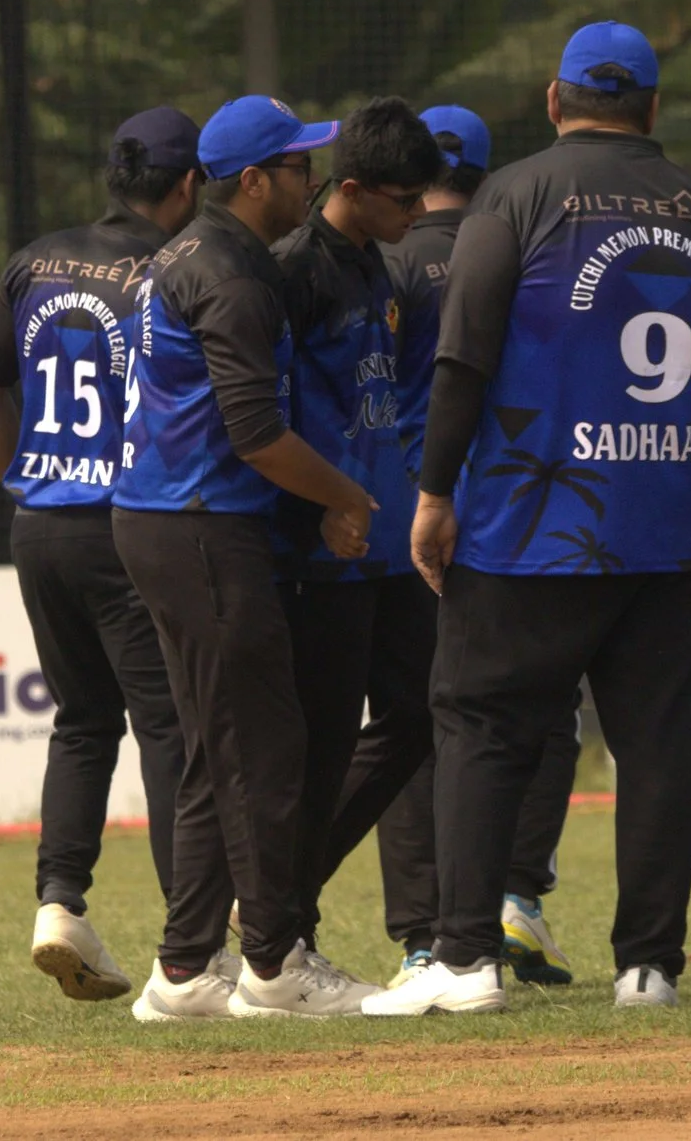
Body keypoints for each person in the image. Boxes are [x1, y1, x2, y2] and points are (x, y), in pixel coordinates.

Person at [367, 22, 691, 1018]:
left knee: (479, 725)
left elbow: (462, 356)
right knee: (656, 742)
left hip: (530, 524)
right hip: (665, 524)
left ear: (554, 101)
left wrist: (432, 489)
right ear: (654, 108)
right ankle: (649, 965)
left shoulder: (516, 193)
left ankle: (464, 958)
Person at [109, 96, 385, 1022]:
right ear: (254, 179)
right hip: (200, 526)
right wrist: (345, 497)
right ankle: (272, 964)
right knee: (265, 747)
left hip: (162, 518)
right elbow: (258, 433)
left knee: (215, 747)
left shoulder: (181, 251)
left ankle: (185, 969)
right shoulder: (234, 271)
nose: (312, 178)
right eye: (299, 166)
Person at [0, 107, 200, 1005]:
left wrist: (25, 478)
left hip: (41, 525)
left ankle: (60, 904)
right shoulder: (167, 270)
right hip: (125, 523)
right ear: (187, 187)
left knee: (83, 720)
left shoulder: (33, 260)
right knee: (171, 725)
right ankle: (193, 940)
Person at [361, 106, 584, 987]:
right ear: (487, 173)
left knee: (416, 721)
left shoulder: (382, 261)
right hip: (512, 511)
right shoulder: (524, 249)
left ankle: (425, 934)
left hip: (397, 520)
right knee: (540, 707)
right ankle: (516, 897)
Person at [267, 98, 443, 963]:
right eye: (405, 200)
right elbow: (265, 419)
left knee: (419, 711)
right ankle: (284, 928)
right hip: (319, 552)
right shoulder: (291, 272)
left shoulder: (380, 261)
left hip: (385, 537)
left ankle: (278, 896)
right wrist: (318, 509)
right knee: (323, 742)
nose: (419, 215)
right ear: (355, 187)